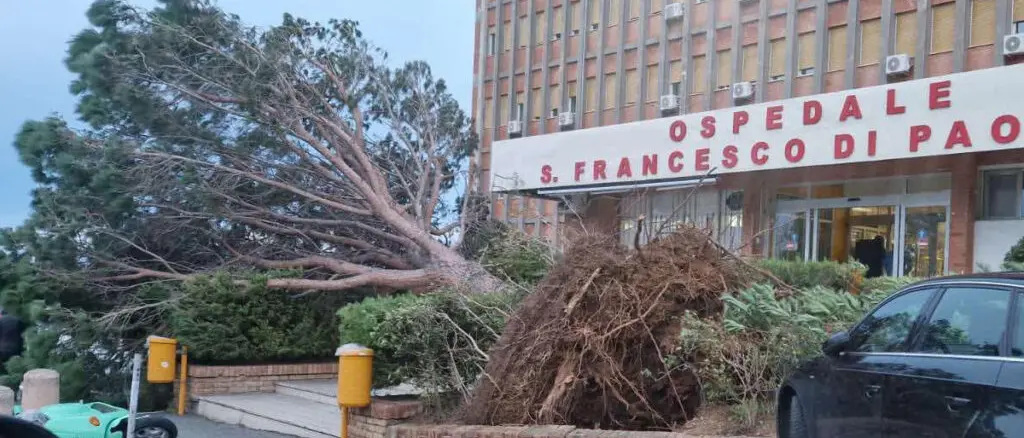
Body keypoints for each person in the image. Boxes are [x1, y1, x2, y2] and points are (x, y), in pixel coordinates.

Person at [0, 309, 27, 374]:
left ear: (1, 314)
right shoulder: (18, 320)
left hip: (2, 349)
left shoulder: (1, 321)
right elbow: (23, 336)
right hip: (16, 349)